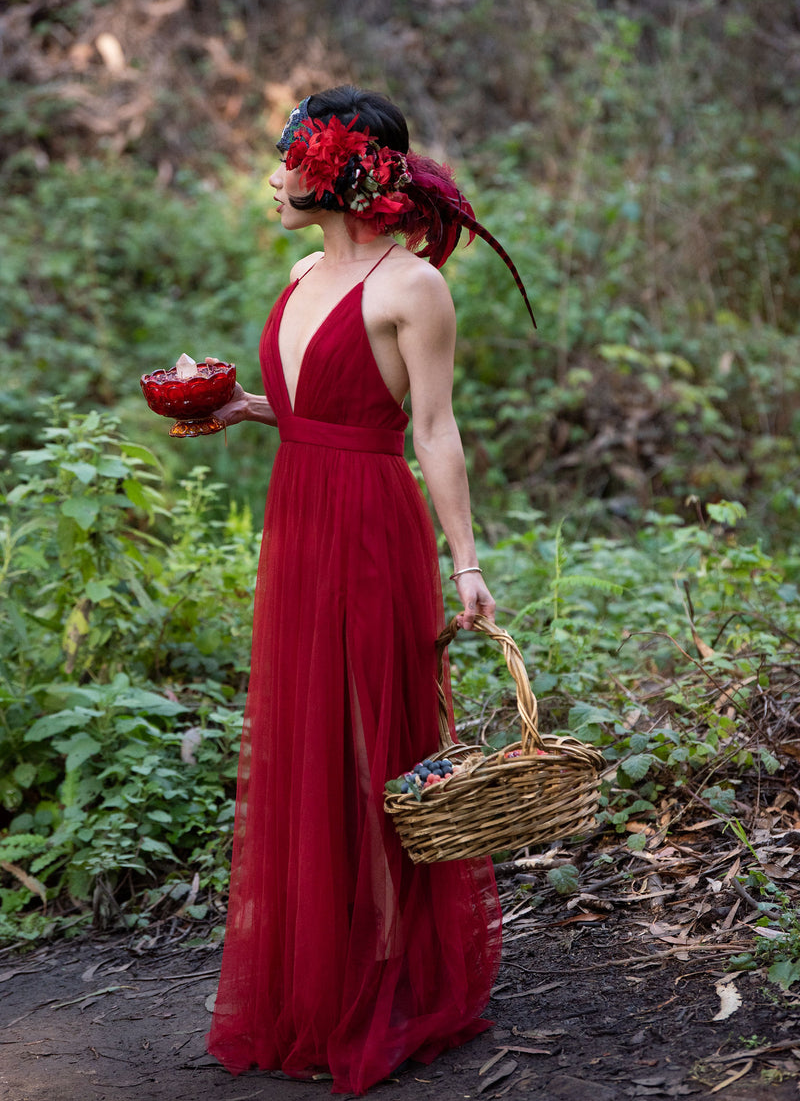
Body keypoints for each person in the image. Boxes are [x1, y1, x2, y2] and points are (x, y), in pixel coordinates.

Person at [205, 86, 533, 1094]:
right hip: (298, 508)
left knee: (370, 735)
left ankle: (386, 974)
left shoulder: (412, 287)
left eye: (290, 159)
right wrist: (251, 407)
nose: (274, 178)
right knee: (309, 729)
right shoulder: (304, 269)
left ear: (341, 172)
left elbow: (430, 427)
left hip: (366, 522)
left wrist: (466, 561)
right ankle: (322, 970)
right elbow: (324, 406)